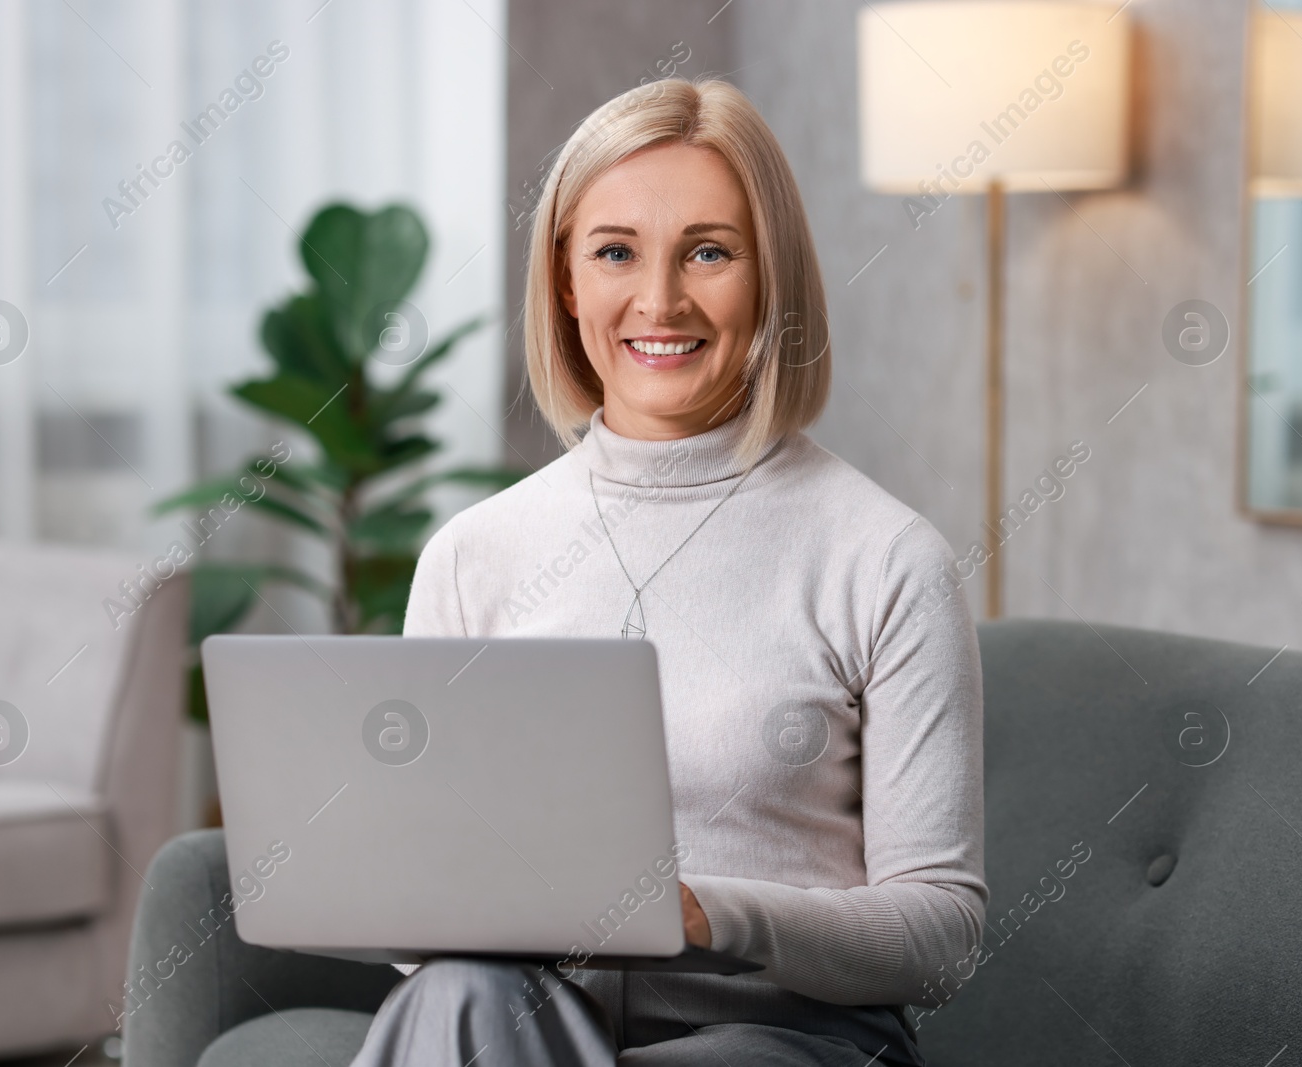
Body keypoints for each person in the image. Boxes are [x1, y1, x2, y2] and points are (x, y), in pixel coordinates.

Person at [350, 76, 986, 1067]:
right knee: (454, 993)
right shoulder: (474, 554)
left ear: (769, 275)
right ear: (565, 282)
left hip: (780, 1035)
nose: (659, 300)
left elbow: (940, 934)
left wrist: (704, 911)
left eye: (708, 251)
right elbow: (426, 920)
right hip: (529, 1017)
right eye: (614, 252)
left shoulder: (885, 557)